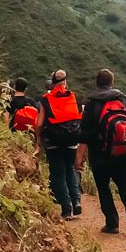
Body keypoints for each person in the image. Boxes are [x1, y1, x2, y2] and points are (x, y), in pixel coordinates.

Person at [75, 69, 126, 235]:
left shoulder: (92, 104)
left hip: (99, 155)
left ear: (97, 83)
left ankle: (112, 223)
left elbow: (84, 134)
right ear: (112, 82)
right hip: (122, 152)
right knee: (124, 182)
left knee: (103, 187)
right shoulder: (125, 100)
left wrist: (80, 157)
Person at [35, 70, 83, 219]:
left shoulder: (46, 99)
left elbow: (39, 123)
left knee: (58, 174)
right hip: (72, 141)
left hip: (54, 142)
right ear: (65, 83)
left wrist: (38, 139)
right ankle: (76, 201)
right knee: (70, 169)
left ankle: (66, 208)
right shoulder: (75, 98)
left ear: (52, 84)